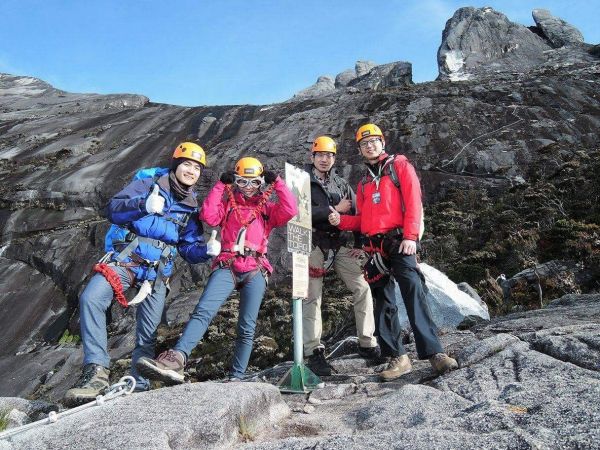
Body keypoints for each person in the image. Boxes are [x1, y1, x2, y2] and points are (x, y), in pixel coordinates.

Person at [64, 142, 215, 405]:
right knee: (92, 298)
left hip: (157, 273)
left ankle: (139, 385)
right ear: (176, 164)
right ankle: (96, 372)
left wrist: (206, 251)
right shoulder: (147, 185)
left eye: (197, 167)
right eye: (187, 164)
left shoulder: (191, 208)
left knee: (148, 331)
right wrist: (143, 204)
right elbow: (112, 209)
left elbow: (188, 248)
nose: (192, 171)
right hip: (126, 261)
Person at [136, 156, 297, 383]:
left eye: (254, 182)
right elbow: (208, 215)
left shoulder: (267, 209)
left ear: (261, 183)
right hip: (227, 264)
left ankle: (237, 376)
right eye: (242, 182)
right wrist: (222, 185)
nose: (248, 188)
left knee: (247, 325)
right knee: (203, 311)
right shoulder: (229, 205)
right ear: (236, 182)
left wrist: (278, 182)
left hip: (256, 267)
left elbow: (290, 210)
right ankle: (178, 358)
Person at [328, 124, 458, 381]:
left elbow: (414, 202)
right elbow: (363, 220)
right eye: (364, 144)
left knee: (412, 290)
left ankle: (435, 353)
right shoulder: (364, 182)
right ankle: (397, 357)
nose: (369, 146)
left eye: (374, 141)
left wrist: (410, 237)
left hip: (400, 241)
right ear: (359, 150)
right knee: (383, 301)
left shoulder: (399, 166)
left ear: (382, 142)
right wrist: (340, 221)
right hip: (375, 248)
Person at [302, 136, 379, 376]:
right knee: (312, 297)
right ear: (312, 157)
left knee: (362, 287)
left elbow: (356, 213)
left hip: (340, 245)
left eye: (329, 155)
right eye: (320, 155)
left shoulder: (340, 183)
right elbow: (298, 212)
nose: (324, 159)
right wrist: (333, 210)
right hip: (314, 244)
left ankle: (367, 342)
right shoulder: (302, 181)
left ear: (334, 158)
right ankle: (313, 351)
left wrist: (360, 244)